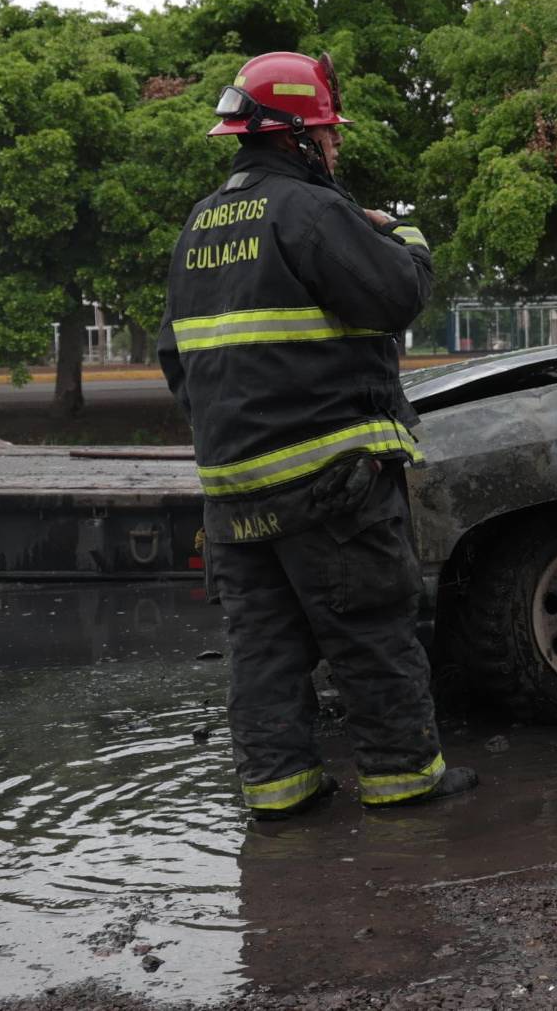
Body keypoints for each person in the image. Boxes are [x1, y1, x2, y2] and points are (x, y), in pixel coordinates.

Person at [159, 51, 475, 820]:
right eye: (328, 136)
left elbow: (176, 359)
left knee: (265, 648)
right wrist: (405, 233)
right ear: (297, 136)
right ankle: (404, 778)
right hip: (329, 480)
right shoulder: (309, 211)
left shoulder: (198, 227)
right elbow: (396, 292)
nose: (335, 150)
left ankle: (281, 793)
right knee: (370, 627)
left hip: (233, 493)